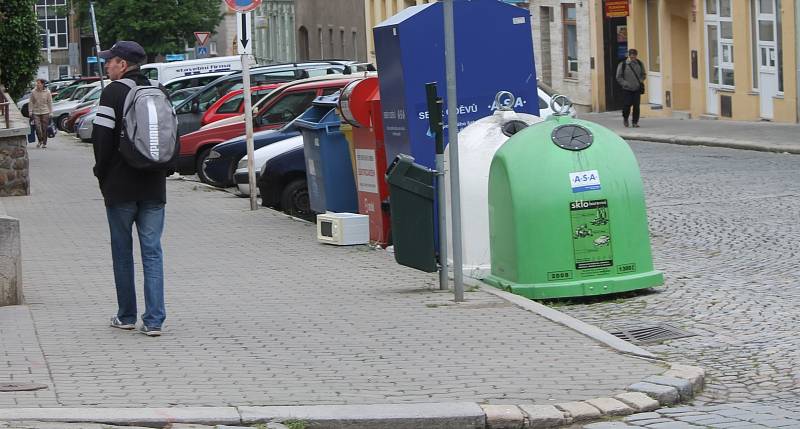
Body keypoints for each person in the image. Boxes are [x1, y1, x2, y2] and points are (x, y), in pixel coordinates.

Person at [91, 41, 168, 337]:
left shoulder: (112, 92)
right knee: (152, 252)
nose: (106, 65)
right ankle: (154, 321)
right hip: (153, 185)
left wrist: (102, 176)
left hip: (121, 186)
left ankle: (126, 316)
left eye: (110, 61)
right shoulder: (159, 91)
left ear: (123, 65)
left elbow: (101, 141)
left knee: (122, 253)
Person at [615, 49, 647, 128]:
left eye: (634, 55)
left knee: (636, 106)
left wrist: (640, 81)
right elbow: (618, 77)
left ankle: (635, 122)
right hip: (627, 89)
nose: (633, 57)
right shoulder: (623, 64)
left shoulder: (639, 63)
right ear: (628, 55)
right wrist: (625, 83)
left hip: (636, 89)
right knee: (627, 106)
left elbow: (643, 74)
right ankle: (625, 118)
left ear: (636, 55)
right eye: (631, 55)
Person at [29, 79, 53, 148]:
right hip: (36, 112)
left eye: (39, 83)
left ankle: (44, 143)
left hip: (45, 112)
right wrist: (30, 111)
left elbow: (50, 102)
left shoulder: (47, 92)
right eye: (37, 83)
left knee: (44, 128)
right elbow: (31, 102)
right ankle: (40, 141)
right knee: (37, 127)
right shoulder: (33, 92)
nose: (37, 84)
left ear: (42, 84)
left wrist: (51, 112)